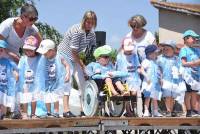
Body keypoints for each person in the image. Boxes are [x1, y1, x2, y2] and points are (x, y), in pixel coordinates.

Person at [57, 11, 97, 116]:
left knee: (83, 82)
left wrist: (90, 66)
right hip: (65, 56)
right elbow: (73, 52)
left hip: (76, 58)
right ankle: (66, 110)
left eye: (92, 23)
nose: (89, 24)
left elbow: (92, 51)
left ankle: (83, 110)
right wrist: (83, 66)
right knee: (68, 81)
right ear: (84, 20)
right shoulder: (77, 30)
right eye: (88, 22)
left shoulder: (92, 34)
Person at [36, 39, 72, 118]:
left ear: (51, 51)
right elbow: (40, 69)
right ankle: (48, 112)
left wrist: (68, 73)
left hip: (57, 81)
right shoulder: (44, 58)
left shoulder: (59, 57)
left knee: (55, 96)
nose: (44, 55)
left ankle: (56, 112)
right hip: (47, 80)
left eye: (45, 53)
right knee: (46, 96)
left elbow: (67, 65)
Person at [157, 40, 186, 117]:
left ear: (173, 50)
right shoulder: (161, 59)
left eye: (168, 49)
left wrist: (180, 72)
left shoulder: (177, 59)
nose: (165, 51)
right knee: (167, 96)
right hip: (165, 80)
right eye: (164, 49)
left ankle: (173, 110)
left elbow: (181, 67)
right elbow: (158, 69)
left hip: (175, 81)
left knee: (174, 96)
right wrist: (160, 78)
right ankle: (168, 110)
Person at [17, 36, 41, 119]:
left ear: (35, 49)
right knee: (25, 98)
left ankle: (33, 113)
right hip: (25, 82)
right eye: (27, 49)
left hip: (36, 82)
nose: (28, 51)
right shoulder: (23, 59)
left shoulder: (39, 58)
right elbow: (19, 69)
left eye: (31, 50)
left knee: (34, 98)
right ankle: (25, 113)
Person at [179, 30, 200, 117]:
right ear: (186, 39)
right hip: (187, 75)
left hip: (196, 75)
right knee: (188, 93)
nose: (195, 40)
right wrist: (194, 63)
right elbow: (183, 63)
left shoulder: (197, 50)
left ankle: (194, 110)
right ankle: (188, 111)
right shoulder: (184, 49)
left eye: (196, 38)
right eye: (193, 38)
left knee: (194, 93)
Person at [139, 45, 162, 117]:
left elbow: (159, 72)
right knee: (148, 97)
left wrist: (160, 79)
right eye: (155, 53)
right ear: (149, 54)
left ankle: (155, 111)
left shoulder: (156, 62)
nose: (156, 55)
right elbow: (141, 70)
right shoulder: (146, 61)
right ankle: (146, 111)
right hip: (148, 83)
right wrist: (146, 76)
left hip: (155, 83)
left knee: (155, 98)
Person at [0, 40, 18, 120]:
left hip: (5, 86)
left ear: (5, 51)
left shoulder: (8, 61)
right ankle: (2, 115)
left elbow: (15, 68)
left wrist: (15, 73)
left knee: (4, 101)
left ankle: (3, 115)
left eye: (1, 50)